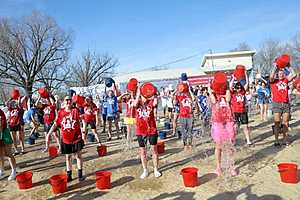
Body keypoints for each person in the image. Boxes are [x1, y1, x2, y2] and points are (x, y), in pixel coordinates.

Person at [46, 95, 85, 182]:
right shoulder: (60, 112)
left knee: (78, 156)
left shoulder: (75, 110)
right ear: (64, 102)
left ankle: (80, 175)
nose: (68, 102)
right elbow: (56, 124)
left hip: (76, 138)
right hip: (66, 139)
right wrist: (49, 133)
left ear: (72, 102)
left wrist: (84, 129)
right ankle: (69, 175)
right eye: (66, 100)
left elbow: (83, 119)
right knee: (68, 157)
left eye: (69, 100)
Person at [133, 84, 161, 179]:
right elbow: (134, 104)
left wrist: (155, 93)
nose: (144, 98)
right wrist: (138, 93)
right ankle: (145, 170)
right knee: (142, 151)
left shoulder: (151, 102)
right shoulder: (137, 103)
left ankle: (156, 169)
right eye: (142, 96)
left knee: (154, 150)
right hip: (140, 131)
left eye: (145, 96)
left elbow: (156, 102)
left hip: (152, 130)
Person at [208, 82, 237, 176]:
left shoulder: (228, 93)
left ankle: (231, 167)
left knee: (230, 144)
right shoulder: (214, 95)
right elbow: (213, 101)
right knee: (218, 145)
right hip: (217, 121)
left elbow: (228, 99)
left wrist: (227, 86)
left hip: (228, 120)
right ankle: (218, 167)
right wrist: (210, 89)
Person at [270, 62, 296, 147]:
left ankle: (285, 140)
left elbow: (294, 74)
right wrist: (275, 67)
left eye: (282, 73)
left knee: (285, 123)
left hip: (285, 103)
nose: (281, 74)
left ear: (284, 74)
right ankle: (277, 140)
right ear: (277, 74)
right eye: (279, 73)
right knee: (277, 123)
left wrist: (289, 66)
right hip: (276, 104)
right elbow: (271, 77)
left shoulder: (286, 80)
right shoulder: (273, 81)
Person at [230, 73, 252, 146]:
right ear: (235, 88)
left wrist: (246, 75)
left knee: (245, 126)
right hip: (235, 112)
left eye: (239, 87)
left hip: (243, 112)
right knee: (235, 127)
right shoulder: (233, 93)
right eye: (237, 87)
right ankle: (232, 140)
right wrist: (233, 78)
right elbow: (230, 86)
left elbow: (247, 83)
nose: (238, 89)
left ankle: (248, 140)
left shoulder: (243, 92)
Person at [174, 82, 196, 151]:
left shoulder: (190, 95)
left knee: (190, 130)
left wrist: (189, 90)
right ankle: (185, 144)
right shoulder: (180, 95)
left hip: (190, 115)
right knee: (183, 131)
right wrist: (176, 91)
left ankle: (190, 144)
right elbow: (174, 102)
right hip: (182, 115)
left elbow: (194, 99)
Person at [0, 108, 17, 181]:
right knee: (0, 154)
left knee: (8, 153)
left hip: (4, 133)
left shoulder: (0, 113)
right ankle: (1, 170)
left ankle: (14, 171)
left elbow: (1, 124)